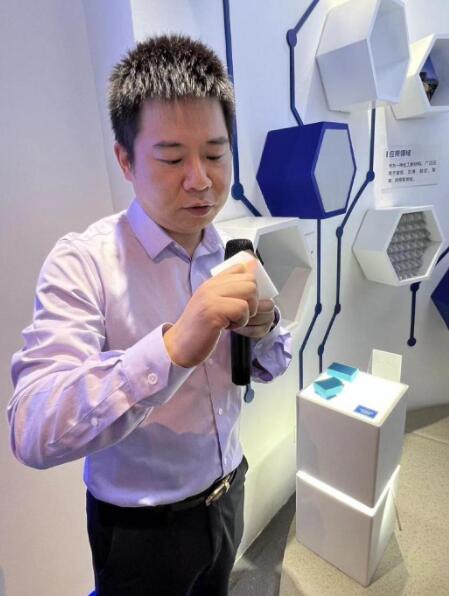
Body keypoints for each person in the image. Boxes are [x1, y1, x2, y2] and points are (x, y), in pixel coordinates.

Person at [7, 34, 292, 595]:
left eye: (216, 154)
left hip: (228, 491)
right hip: (140, 530)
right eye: (172, 158)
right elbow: (32, 427)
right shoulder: (84, 262)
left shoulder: (230, 250)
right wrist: (171, 349)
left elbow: (272, 364)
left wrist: (263, 331)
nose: (201, 179)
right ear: (126, 160)